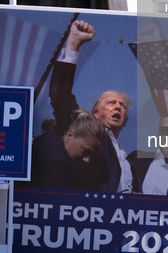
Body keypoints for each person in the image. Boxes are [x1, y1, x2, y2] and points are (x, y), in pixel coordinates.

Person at [50, 20, 134, 193]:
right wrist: (74, 42)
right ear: (96, 113)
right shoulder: (85, 131)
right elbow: (61, 97)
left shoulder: (127, 157)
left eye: (122, 105)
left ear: (126, 120)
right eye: (111, 103)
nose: (117, 107)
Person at [28, 109, 107, 189]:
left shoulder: (48, 144)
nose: (87, 160)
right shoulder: (57, 161)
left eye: (92, 156)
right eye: (86, 152)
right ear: (70, 135)